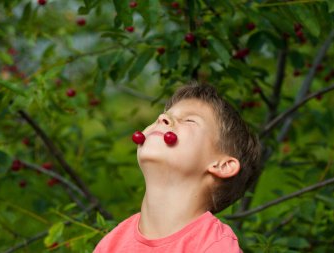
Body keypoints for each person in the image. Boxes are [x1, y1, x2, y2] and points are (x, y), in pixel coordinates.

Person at [94, 82, 261, 252]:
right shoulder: (111, 244)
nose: (161, 118)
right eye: (163, 116)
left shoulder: (214, 246)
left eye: (189, 120)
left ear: (222, 165)